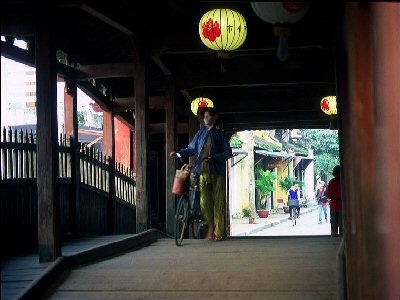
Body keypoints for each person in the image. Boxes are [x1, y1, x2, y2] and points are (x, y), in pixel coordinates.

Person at [170, 107, 232, 241]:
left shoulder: (219, 134)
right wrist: (179, 153)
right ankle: (211, 227)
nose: (205, 119)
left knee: (219, 203)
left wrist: (215, 157)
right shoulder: (200, 134)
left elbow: (228, 152)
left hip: (217, 173)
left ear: (215, 117)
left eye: (208, 116)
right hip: (202, 171)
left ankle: (218, 234)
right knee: (204, 203)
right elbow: (191, 149)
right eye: (204, 116)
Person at [326, 165, 342, 237]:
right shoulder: (344, 181)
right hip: (342, 204)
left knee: (334, 224)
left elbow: (328, 195)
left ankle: (334, 238)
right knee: (342, 225)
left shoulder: (331, 182)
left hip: (333, 205)